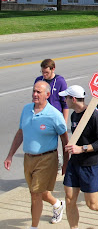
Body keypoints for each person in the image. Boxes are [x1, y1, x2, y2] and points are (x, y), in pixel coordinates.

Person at [4, 81, 69, 227]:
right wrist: (10, 155)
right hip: (28, 159)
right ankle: (58, 204)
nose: (35, 94)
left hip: (47, 159)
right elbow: (21, 132)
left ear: (47, 95)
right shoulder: (26, 109)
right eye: (34, 91)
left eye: (38, 92)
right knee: (41, 193)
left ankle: (34, 226)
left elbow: (65, 139)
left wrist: (66, 162)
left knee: (35, 194)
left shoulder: (54, 115)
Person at [61, 85, 98, 226]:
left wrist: (81, 149)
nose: (64, 100)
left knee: (92, 203)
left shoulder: (94, 115)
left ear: (73, 99)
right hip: (75, 163)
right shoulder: (75, 114)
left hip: (90, 164)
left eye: (66, 98)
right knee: (69, 199)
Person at [34, 59, 69, 123]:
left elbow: (65, 104)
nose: (44, 74)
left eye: (46, 72)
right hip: (41, 117)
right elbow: (35, 100)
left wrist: (64, 123)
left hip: (55, 118)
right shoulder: (39, 80)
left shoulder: (60, 81)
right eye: (42, 72)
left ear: (53, 69)